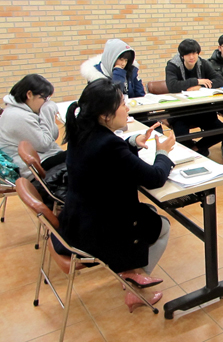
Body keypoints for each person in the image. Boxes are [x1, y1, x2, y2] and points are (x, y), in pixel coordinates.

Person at [54, 78, 175, 312]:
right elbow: (154, 178)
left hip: (76, 222)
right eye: (122, 104)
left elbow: (112, 155)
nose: (127, 108)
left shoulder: (82, 131)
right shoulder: (108, 145)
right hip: (98, 231)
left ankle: (130, 273)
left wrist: (133, 142)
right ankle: (133, 283)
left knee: (147, 212)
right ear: (105, 115)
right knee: (161, 225)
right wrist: (163, 154)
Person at [165, 38, 223, 157]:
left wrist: (199, 87)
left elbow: (220, 80)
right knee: (182, 139)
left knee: (221, 131)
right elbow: (172, 86)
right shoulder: (172, 65)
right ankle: (191, 150)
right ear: (182, 55)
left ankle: (197, 148)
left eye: (194, 53)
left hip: (202, 110)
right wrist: (197, 81)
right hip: (180, 112)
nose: (192, 57)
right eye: (188, 54)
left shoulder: (203, 63)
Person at [0, 74, 65, 179]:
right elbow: (44, 144)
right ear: (29, 94)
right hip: (34, 167)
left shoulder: (26, 111)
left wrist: (46, 115)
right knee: (80, 154)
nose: (46, 103)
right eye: (43, 98)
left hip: (45, 157)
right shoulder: (17, 116)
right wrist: (47, 112)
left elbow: (54, 135)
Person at [80, 39, 145, 98]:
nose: (123, 64)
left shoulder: (131, 70)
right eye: (121, 59)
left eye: (126, 60)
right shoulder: (96, 75)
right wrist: (118, 73)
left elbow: (140, 94)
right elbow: (114, 98)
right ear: (112, 58)